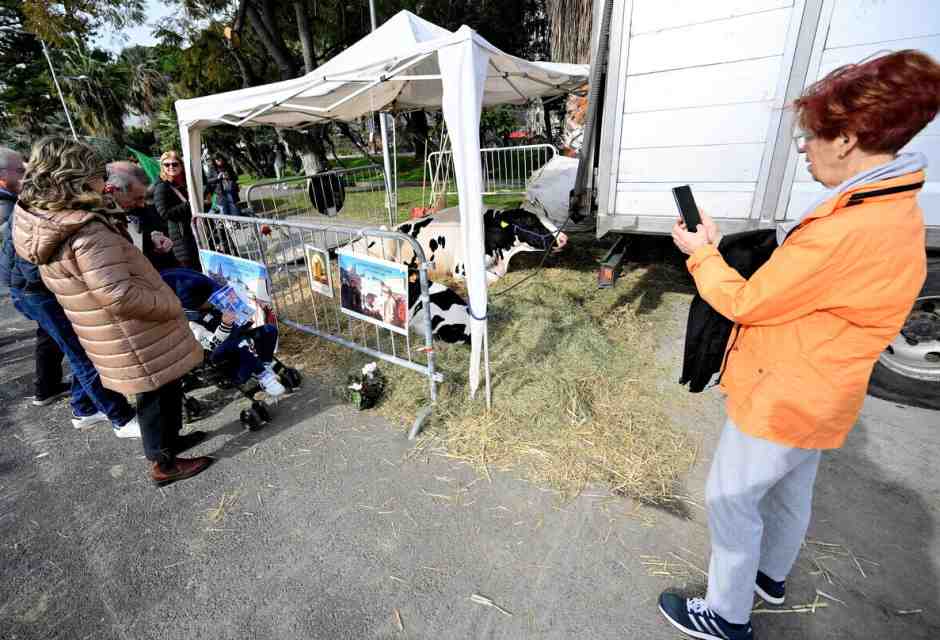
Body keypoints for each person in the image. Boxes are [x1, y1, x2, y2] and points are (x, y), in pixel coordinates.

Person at [659, 50, 940, 640]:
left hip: (782, 391)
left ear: (850, 139)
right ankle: (770, 576)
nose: (806, 150)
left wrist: (702, 255)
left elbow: (747, 303)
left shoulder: (850, 226)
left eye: (812, 137)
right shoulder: (891, 209)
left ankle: (726, 614)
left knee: (731, 499)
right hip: (823, 391)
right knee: (790, 491)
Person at [12, 137, 212, 485]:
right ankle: (163, 462)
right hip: (131, 326)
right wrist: (170, 303)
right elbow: (117, 293)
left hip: (113, 327)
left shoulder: (47, 220)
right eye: (93, 174)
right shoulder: (85, 231)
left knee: (162, 388)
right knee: (155, 392)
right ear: (75, 177)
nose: (99, 181)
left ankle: (169, 445)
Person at [1, 146, 69, 407]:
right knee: (70, 345)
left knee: (49, 337)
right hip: (32, 288)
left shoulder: (14, 203)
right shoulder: (10, 208)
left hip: (29, 287)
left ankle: (46, 387)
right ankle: (86, 406)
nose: (25, 173)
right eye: (21, 170)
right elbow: (26, 257)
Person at [160, 267, 286, 396]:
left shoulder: (213, 307)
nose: (213, 300)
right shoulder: (191, 322)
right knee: (239, 344)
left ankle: (265, 366)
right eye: (209, 298)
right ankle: (263, 376)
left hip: (237, 338)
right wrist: (225, 325)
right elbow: (211, 344)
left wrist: (243, 318)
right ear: (197, 302)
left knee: (269, 330)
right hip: (221, 354)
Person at [106, 161, 179, 270]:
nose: (141, 204)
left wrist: (155, 241)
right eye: (137, 198)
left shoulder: (142, 211)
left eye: (143, 198)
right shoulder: (99, 221)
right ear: (113, 190)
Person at [153, 150, 201, 270]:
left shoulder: (186, 183)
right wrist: (190, 205)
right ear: (162, 167)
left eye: (174, 164)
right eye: (166, 164)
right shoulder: (162, 186)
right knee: (193, 272)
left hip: (196, 232)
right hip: (181, 237)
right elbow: (164, 213)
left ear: (181, 165)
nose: (171, 167)